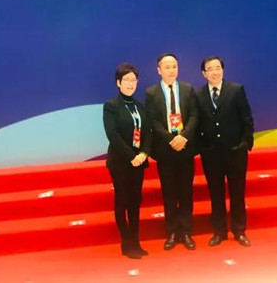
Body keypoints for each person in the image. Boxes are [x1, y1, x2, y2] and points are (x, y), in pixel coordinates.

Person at [195, 56, 254, 247]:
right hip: (211, 153)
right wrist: (201, 147)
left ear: (223, 70)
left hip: (235, 151)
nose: (215, 72)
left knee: (237, 192)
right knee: (216, 194)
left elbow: (246, 118)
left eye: (218, 68)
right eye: (210, 69)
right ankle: (219, 232)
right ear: (204, 73)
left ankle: (239, 230)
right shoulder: (198, 95)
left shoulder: (236, 90)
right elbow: (197, 123)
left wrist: (245, 144)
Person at [145, 53, 198, 251]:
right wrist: (170, 139)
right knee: (169, 192)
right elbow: (153, 121)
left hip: (185, 147)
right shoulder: (151, 93)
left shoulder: (187, 89)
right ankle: (172, 232)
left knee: (186, 192)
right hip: (165, 150)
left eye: (174, 66)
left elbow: (194, 115)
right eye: (167, 67)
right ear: (159, 70)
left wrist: (183, 136)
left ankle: (186, 232)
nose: (171, 70)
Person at [103, 63, 151, 259]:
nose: (130, 84)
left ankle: (136, 241)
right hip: (121, 162)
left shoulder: (140, 106)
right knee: (122, 201)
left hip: (139, 161)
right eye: (126, 80)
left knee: (135, 202)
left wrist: (144, 154)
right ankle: (126, 242)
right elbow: (112, 135)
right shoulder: (111, 106)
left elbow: (148, 132)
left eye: (133, 80)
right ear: (118, 83)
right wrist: (132, 156)